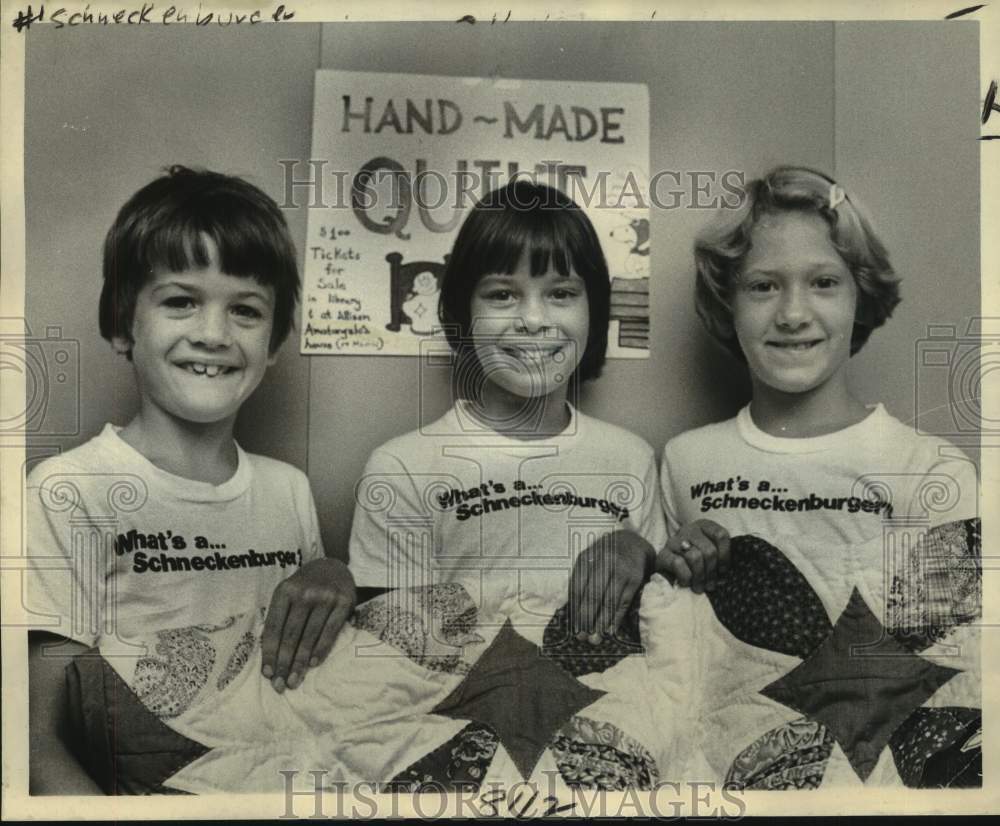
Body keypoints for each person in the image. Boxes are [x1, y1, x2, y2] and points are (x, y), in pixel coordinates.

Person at [26, 166, 355, 794]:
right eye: (181, 301)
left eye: (246, 310)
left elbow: (310, 686)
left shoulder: (289, 490)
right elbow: (37, 746)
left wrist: (331, 572)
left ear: (276, 340)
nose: (213, 334)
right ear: (123, 324)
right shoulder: (67, 492)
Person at [348, 180, 670, 641]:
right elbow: (397, 647)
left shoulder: (630, 458)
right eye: (502, 295)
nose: (534, 320)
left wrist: (638, 550)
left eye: (561, 293)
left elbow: (657, 621)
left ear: (595, 312)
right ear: (461, 311)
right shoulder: (400, 468)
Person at [661, 165, 978, 555]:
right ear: (728, 305)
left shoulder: (932, 470)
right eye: (763, 286)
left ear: (859, 296)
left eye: (823, 283)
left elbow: (942, 617)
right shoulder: (685, 461)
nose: (793, 315)